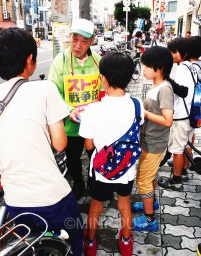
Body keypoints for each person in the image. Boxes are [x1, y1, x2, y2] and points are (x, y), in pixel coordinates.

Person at [0, 27, 84, 255]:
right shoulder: (44, 89)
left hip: (15, 199)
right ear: (30, 59)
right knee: (76, 237)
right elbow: (59, 144)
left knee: (29, 247)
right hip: (51, 196)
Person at [79, 51, 144, 256]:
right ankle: (126, 240)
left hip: (101, 171)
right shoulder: (137, 105)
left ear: (103, 79)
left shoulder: (93, 110)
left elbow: (89, 145)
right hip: (126, 169)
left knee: (96, 206)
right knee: (125, 204)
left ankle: (90, 242)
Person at [48, 18, 102, 201]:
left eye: (84, 41)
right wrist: (69, 109)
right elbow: (53, 92)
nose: (78, 45)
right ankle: (78, 182)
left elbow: (104, 90)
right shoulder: (59, 62)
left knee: (96, 155)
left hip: (94, 125)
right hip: (71, 126)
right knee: (72, 159)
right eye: (74, 39)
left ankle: (96, 183)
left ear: (92, 41)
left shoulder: (98, 61)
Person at [131, 46, 174, 232]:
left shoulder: (164, 89)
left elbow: (168, 120)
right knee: (150, 175)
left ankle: (150, 220)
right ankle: (152, 202)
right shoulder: (156, 86)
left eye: (147, 66)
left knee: (143, 180)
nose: (144, 70)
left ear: (160, 68)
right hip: (148, 140)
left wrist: (144, 113)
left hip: (154, 143)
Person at [158, 36, 196, 191]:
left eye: (173, 52)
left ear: (183, 52)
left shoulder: (181, 68)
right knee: (186, 144)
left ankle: (176, 180)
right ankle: (184, 171)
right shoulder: (192, 66)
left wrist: (166, 79)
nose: (171, 55)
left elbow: (182, 91)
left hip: (181, 116)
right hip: (190, 114)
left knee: (177, 150)